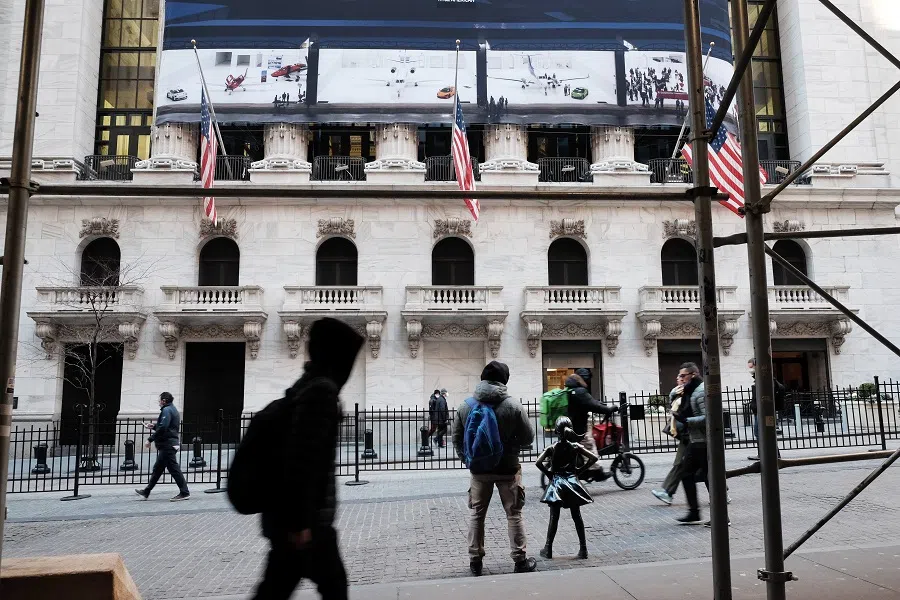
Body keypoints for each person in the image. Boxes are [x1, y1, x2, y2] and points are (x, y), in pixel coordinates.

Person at [252, 317, 364, 600]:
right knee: (331, 588)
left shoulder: (308, 384)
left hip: (298, 519)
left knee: (277, 588)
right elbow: (303, 458)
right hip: (306, 524)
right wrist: (300, 523)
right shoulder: (321, 392)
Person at [453, 360, 537, 576]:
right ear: (504, 380)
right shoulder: (513, 406)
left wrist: (469, 460)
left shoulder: (465, 406)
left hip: (479, 471)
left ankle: (475, 561)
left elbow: (457, 439)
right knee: (514, 514)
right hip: (508, 468)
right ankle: (520, 560)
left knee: (477, 514)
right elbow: (528, 438)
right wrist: (511, 445)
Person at [536, 416, 598, 560]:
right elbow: (593, 459)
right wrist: (579, 470)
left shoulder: (552, 448)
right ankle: (583, 549)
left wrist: (549, 474)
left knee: (554, 517)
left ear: (557, 431)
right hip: (572, 482)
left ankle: (548, 548)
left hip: (557, 482)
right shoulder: (575, 446)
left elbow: (538, 462)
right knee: (577, 516)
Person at [671, 362, 709, 523]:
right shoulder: (690, 391)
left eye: (683, 375)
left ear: (693, 375)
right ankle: (694, 511)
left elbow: (709, 417)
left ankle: (722, 516)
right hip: (696, 440)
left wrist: (687, 421)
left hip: (706, 441)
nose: (680, 378)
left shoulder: (700, 392)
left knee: (710, 478)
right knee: (687, 474)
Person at [135, 392, 190, 502]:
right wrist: (154, 426)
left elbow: (164, 427)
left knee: (173, 469)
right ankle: (147, 491)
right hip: (169, 444)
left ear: (164, 401)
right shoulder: (172, 409)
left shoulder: (167, 410)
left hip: (168, 445)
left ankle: (184, 492)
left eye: (159, 400)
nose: (159, 402)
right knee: (158, 469)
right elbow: (167, 427)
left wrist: (150, 439)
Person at [565, 368, 617, 481]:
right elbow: (593, 405)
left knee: (584, 447)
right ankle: (596, 471)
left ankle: (585, 470)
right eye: (587, 379)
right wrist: (608, 409)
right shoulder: (580, 391)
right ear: (584, 379)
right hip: (578, 428)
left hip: (571, 426)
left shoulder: (571, 389)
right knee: (589, 445)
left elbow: (590, 402)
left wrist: (600, 404)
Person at [651, 375, 689, 505]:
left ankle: (668, 493)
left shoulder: (690, 392)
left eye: (681, 376)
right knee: (701, 467)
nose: (678, 378)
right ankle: (721, 493)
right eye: (678, 375)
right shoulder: (679, 392)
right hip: (686, 435)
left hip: (692, 435)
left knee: (680, 464)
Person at [747, 357, 786, 461]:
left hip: (763, 411)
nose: (750, 370)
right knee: (761, 432)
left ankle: (768, 454)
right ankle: (766, 453)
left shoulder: (765, 379)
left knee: (764, 432)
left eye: (751, 367)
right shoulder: (760, 378)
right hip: (759, 411)